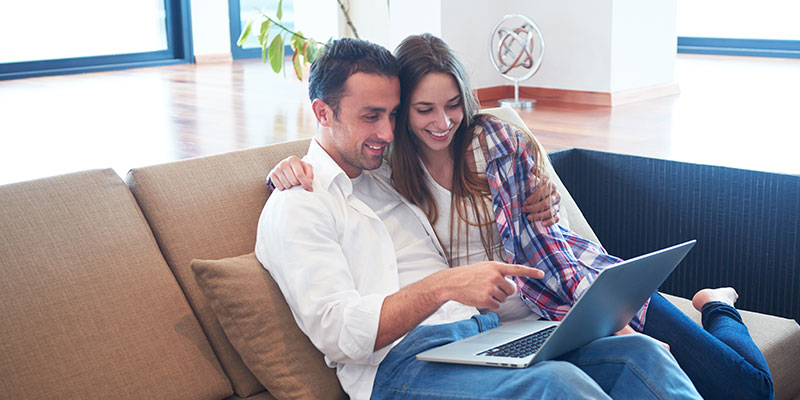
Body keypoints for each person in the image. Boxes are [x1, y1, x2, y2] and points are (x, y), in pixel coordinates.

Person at [268, 34, 773, 400]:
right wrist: (445, 285)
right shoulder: (305, 200)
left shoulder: (383, 170)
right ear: (322, 113)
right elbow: (339, 333)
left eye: (392, 114)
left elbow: (538, 236)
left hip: (493, 330)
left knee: (642, 354)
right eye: (373, 116)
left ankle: (709, 308)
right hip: (401, 367)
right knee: (555, 383)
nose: (389, 129)